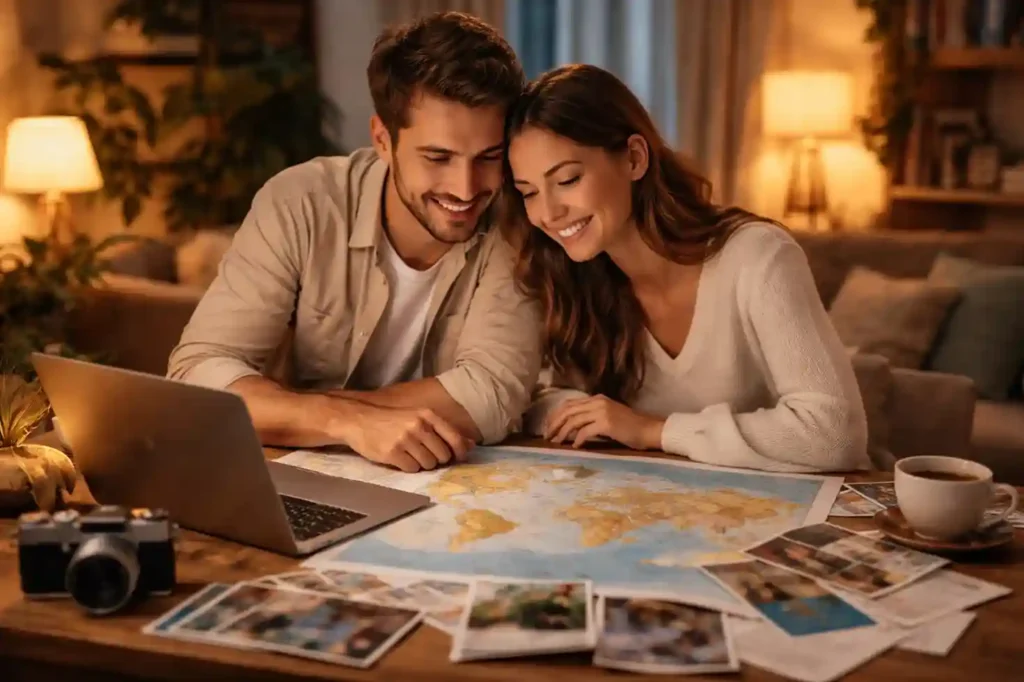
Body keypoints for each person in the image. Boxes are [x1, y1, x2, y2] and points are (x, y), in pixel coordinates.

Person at [167, 12, 542, 473]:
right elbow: (198, 374)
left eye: (488, 157)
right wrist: (345, 421)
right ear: (383, 140)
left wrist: (293, 412)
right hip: (310, 474)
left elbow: (490, 396)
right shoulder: (302, 203)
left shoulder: (517, 219)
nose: (466, 189)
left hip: (457, 481)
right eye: (438, 157)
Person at [502, 64, 868, 473]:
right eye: (528, 193)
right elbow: (534, 397)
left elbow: (835, 435)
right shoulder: (571, 271)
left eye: (568, 179)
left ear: (635, 159)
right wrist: (587, 415)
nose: (548, 213)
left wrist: (654, 432)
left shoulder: (756, 257)